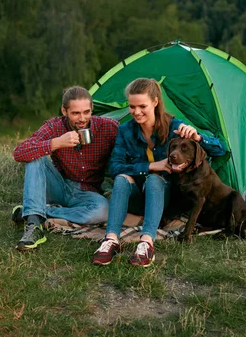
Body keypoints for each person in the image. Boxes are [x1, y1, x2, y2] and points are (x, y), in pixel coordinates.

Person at [92, 78, 226, 267]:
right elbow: (115, 167)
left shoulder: (175, 127)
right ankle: (111, 240)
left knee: (155, 180)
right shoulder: (126, 131)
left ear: (155, 102)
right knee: (122, 179)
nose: (136, 112)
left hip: (166, 198)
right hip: (138, 196)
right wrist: (150, 166)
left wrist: (197, 137)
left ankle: (146, 242)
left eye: (142, 106)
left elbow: (220, 149)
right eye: (132, 106)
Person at [13, 86, 119, 251]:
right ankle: (34, 226)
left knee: (104, 211)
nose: (82, 119)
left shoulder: (107, 127)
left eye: (86, 112)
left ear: (92, 109)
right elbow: (19, 152)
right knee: (35, 157)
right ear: (64, 111)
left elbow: (133, 136)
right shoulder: (55, 126)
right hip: (59, 186)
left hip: (87, 193)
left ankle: (38, 212)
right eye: (75, 113)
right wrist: (57, 143)